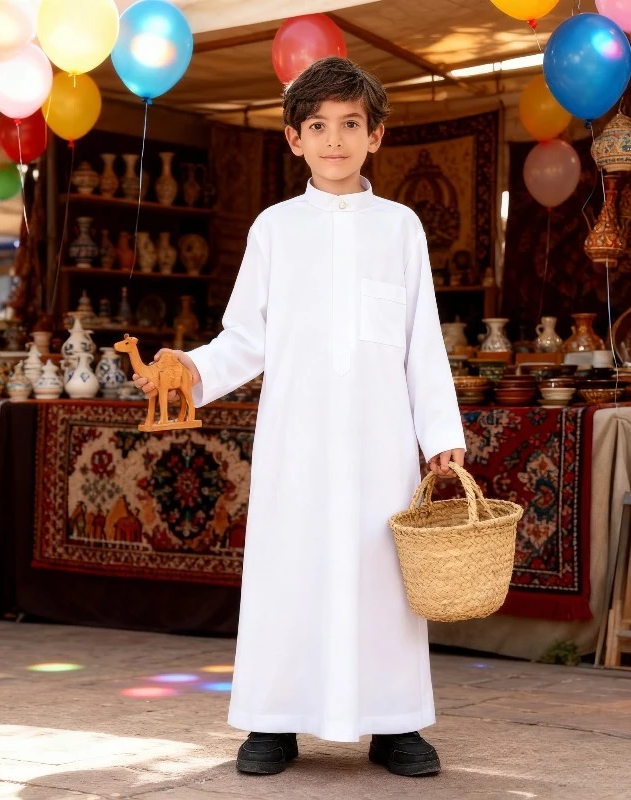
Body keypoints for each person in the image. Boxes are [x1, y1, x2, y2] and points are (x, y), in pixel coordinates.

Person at [133, 57, 466, 778]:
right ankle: (273, 722)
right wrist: (193, 368)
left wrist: (441, 437)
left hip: (380, 439)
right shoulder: (275, 229)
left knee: (383, 577)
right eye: (318, 126)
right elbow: (248, 337)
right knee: (290, 572)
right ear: (294, 139)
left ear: (375, 136)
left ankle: (394, 723)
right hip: (297, 437)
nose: (335, 140)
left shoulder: (400, 228)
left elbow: (421, 339)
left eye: (351, 125)